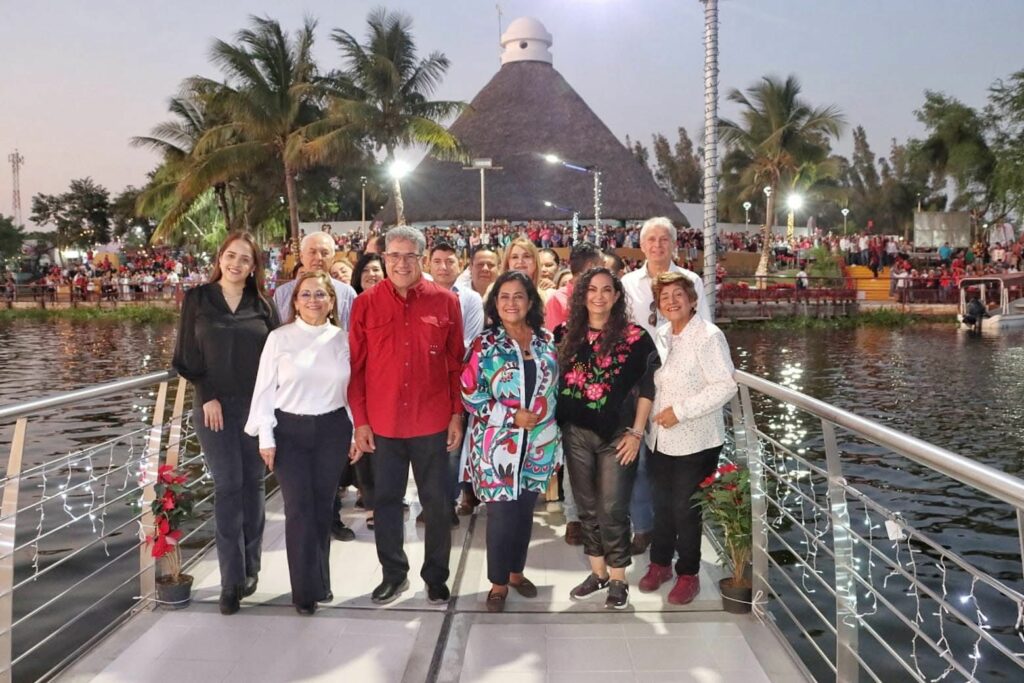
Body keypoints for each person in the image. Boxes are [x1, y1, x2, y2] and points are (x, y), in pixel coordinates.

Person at [348, 225, 465, 605]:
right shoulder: (365, 304)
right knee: (384, 503)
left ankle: (436, 576)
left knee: (437, 504)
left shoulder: (445, 302)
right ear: (384, 259)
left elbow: (454, 366)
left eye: (408, 256)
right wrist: (361, 421)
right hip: (382, 425)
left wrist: (455, 415)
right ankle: (393, 574)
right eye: (393, 256)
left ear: (421, 257)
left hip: (431, 421)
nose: (400, 263)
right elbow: (356, 368)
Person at [172, 231, 279, 615]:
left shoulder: (262, 304)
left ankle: (251, 566)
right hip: (213, 409)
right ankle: (230, 581)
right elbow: (184, 355)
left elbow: (277, 358)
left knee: (253, 485)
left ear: (254, 267)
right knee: (228, 485)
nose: (236, 263)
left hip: (257, 409)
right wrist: (207, 394)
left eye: (245, 259)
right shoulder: (198, 299)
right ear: (220, 258)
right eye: (231, 256)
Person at [244, 271, 354, 615]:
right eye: (305, 295)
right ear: (294, 301)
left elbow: (352, 392)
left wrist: (354, 431)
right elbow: (263, 390)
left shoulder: (344, 339)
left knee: (322, 510)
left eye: (320, 294)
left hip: (333, 429)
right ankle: (304, 592)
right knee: (298, 510)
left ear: (332, 301)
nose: (312, 301)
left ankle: (320, 582)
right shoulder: (279, 338)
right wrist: (266, 436)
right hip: (289, 431)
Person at [556, 267, 655, 609]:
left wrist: (636, 433)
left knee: (612, 507)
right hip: (576, 433)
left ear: (616, 296)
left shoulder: (635, 338)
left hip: (619, 436)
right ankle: (598, 573)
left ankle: (618, 578)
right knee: (586, 507)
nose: (598, 296)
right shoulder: (565, 333)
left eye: (606, 290)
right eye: (592, 290)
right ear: (582, 296)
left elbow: (647, 388)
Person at [461, 271, 561, 612]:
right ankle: (498, 582)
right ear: (495, 303)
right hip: (496, 447)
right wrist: (510, 416)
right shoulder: (484, 344)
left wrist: (553, 436)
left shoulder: (545, 340)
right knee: (501, 515)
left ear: (530, 301)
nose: (511, 303)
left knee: (523, 513)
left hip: (539, 445)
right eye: (504, 297)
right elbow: (469, 393)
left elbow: (555, 391)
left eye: (518, 296)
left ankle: (517, 572)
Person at [638, 272, 737, 605]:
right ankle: (661, 563)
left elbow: (726, 385)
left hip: (696, 439)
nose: (672, 301)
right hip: (660, 440)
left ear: (693, 300)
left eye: (678, 295)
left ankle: (688, 573)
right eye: (665, 297)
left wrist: (680, 410)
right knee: (661, 505)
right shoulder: (664, 335)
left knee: (685, 509)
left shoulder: (708, 336)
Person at [620, 217, 709, 557]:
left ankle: (670, 532)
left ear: (674, 245)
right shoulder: (628, 284)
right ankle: (643, 528)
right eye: (651, 240)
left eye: (664, 240)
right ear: (642, 246)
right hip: (638, 382)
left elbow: (703, 329)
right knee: (639, 460)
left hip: (678, 383)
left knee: (675, 465)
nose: (657, 246)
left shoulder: (691, 281)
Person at [543, 242, 603, 546]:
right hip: (569, 388)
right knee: (574, 456)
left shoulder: (603, 298)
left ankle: (596, 517)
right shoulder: (559, 299)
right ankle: (573, 518)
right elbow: (556, 346)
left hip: (602, 389)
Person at [428, 241, 485, 524]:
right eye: (437, 261)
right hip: (425, 384)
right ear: (428, 263)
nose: (443, 267)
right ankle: (432, 503)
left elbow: (469, 343)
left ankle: (447, 503)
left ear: (459, 263)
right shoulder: (420, 295)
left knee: (453, 445)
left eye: (449, 261)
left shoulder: (471, 299)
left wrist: (433, 351)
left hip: (459, 381)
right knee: (427, 447)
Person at [274, 232, 357, 329]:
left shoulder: (347, 293)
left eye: (324, 253)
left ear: (333, 258)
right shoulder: (282, 293)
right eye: (312, 252)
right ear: (301, 257)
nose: (318, 258)